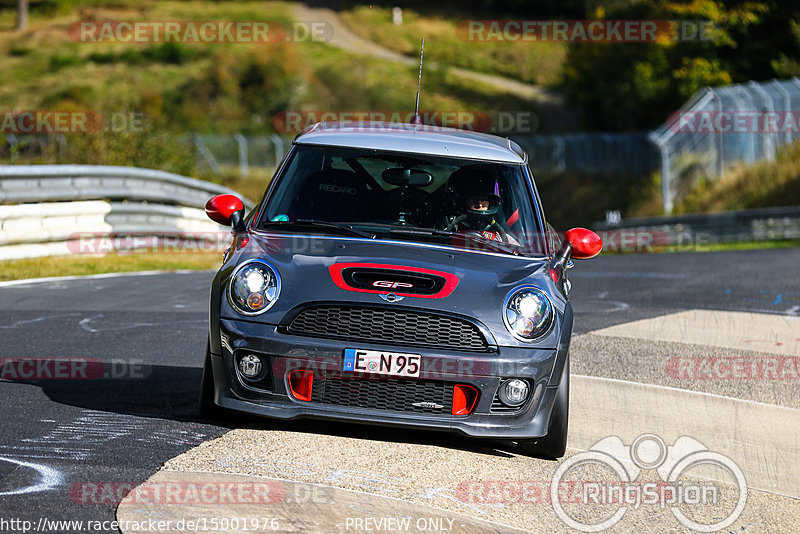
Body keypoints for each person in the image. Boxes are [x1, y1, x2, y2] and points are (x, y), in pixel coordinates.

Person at [441, 165, 520, 246]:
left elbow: (517, 253)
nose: (479, 205)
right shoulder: (452, 228)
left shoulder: (500, 236)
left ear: (491, 203)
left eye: (484, 200)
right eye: (472, 200)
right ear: (462, 202)